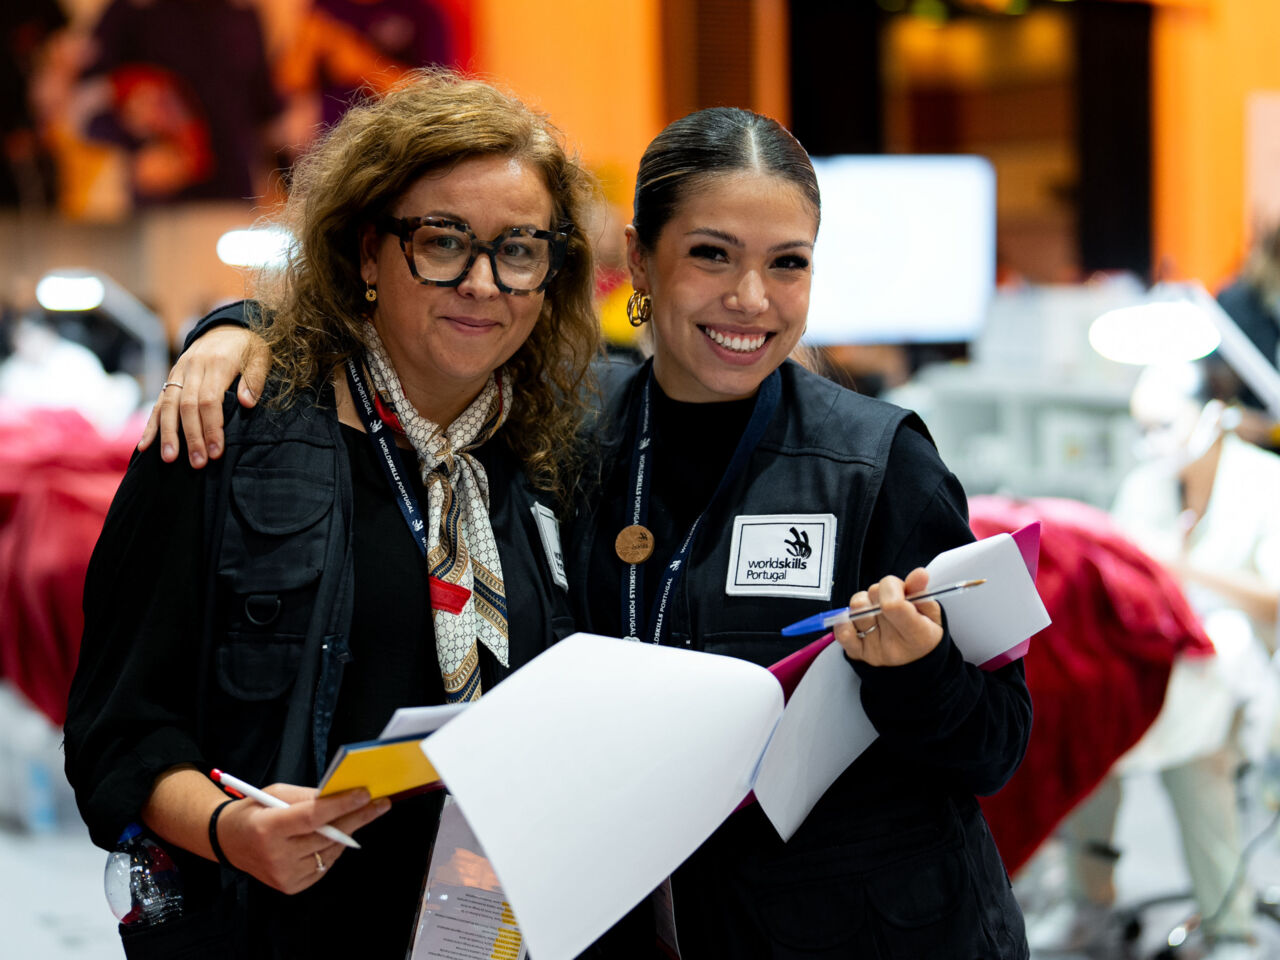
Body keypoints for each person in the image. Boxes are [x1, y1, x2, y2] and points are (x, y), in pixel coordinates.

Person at [142, 106, 1033, 958]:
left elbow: (997, 744)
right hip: (625, 922)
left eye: (788, 263)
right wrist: (238, 327)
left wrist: (918, 675)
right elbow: (412, 349)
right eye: (711, 255)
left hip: (869, 931)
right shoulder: (557, 431)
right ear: (639, 263)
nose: (751, 298)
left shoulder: (878, 464)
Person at [64, 68, 599, 959]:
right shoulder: (222, 436)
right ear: (364, 251)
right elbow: (116, 733)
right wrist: (234, 831)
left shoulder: (552, 456)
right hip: (277, 931)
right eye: (442, 241)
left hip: (493, 933)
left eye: (519, 248)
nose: (482, 282)